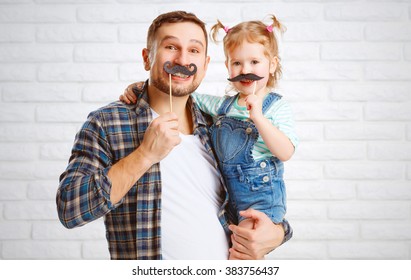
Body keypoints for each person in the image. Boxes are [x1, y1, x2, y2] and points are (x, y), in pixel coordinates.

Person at [57, 10, 292, 260]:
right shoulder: (107, 122)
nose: (182, 59)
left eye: (194, 50)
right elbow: (70, 209)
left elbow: (256, 192)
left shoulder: (221, 124)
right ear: (148, 58)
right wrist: (145, 155)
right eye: (170, 46)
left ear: (204, 63)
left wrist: (278, 232)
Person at [120, 15, 298, 260]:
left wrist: (258, 117)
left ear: (272, 64)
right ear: (227, 66)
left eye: (255, 61)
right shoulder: (222, 107)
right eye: (237, 63)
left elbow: (286, 151)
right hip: (233, 202)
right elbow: (186, 94)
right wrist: (141, 87)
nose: (245, 70)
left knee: (242, 254)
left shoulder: (275, 107)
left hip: (261, 199)